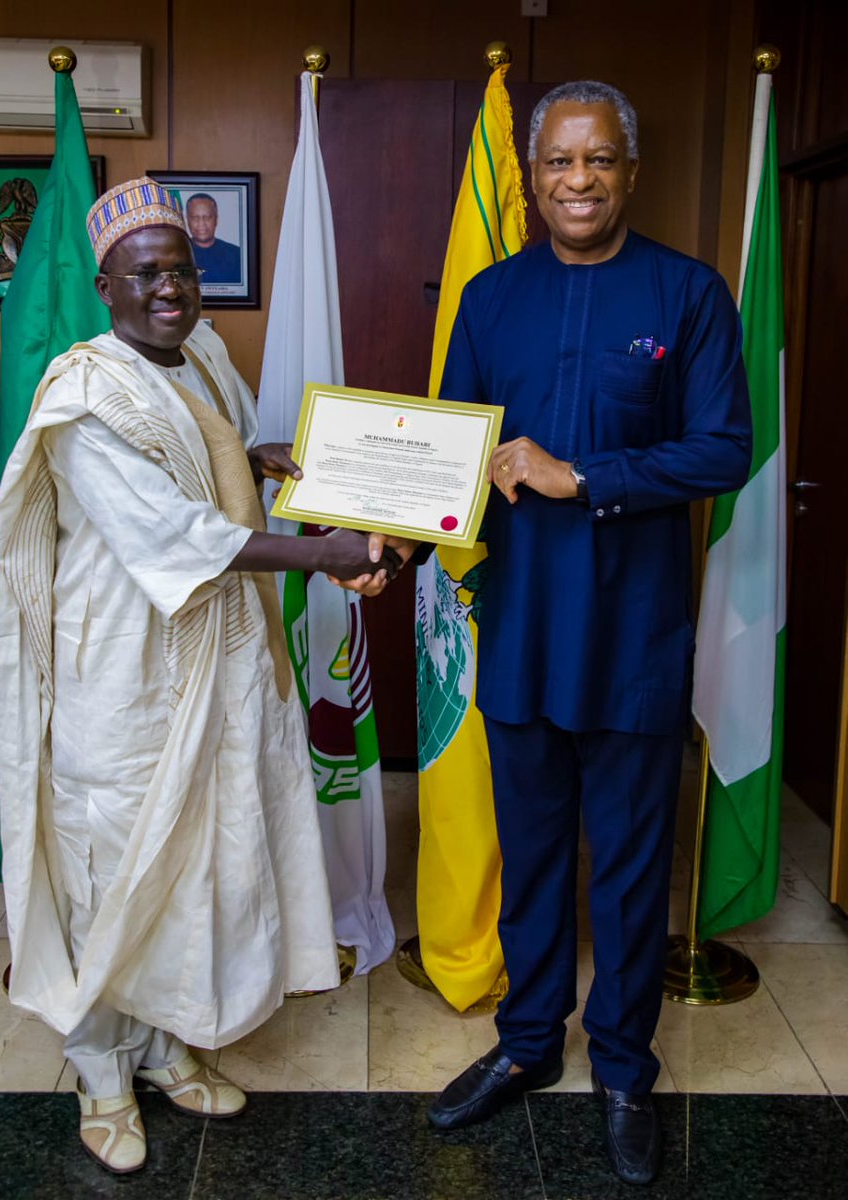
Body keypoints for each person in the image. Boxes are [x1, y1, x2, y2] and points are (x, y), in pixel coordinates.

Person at [356, 82, 752, 1185]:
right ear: (529, 180)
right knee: (530, 858)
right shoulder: (489, 298)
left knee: (626, 869)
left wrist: (581, 476)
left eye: (599, 160)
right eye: (556, 164)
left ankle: (623, 1067)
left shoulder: (686, 293)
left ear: (631, 169)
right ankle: (528, 1046)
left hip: (632, 636)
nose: (577, 181)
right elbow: (450, 476)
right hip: (521, 630)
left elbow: (722, 449)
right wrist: (393, 543)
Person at [0, 177, 396, 1175]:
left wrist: (254, 455)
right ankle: (98, 1071)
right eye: (145, 274)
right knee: (113, 872)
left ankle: (168, 1045)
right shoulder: (84, 393)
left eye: (180, 268)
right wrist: (319, 554)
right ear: (106, 286)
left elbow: (202, 469)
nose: (168, 288)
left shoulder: (204, 356)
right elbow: (172, 532)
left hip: (217, 659)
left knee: (196, 862)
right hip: (121, 681)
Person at [185, 192, 242, 283]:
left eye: (207, 217)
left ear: (216, 220)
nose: (201, 223)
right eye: (195, 217)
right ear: (187, 220)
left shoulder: (237, 255)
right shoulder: (178, 254)